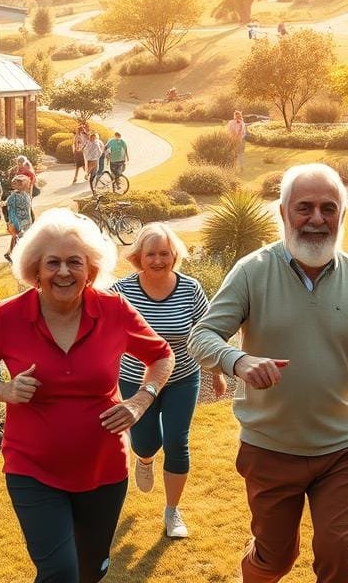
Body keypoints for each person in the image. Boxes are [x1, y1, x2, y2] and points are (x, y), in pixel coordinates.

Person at [188, 164, 348, 582]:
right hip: (270, 446)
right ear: (283, 211)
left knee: (336, 552)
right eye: (304, 207)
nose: (316, 218)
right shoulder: (252, 271)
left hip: (341, 446)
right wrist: (239, 361)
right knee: (275, 559)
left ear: (342, 215)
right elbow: (202, 336)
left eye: (328, 208)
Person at [0, 209, 173, 582]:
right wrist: (5, 390)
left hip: (104, 469)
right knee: (58, 572)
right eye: (53, 263)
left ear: (91, 270)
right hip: (32, 469)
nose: (64, 272)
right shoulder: (10, 315)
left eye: (75, 262)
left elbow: (161, 355)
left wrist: (140, 400)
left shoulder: (114, 310)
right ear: (35, 270)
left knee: (90, 571)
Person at [110, 223, 223, 538]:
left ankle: (172, 511)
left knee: (177, 441)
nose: (158, 260)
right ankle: (144, 459)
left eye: (164, 253)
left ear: (174, 255)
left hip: (182, 378)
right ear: (138, 257)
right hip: (135, 379)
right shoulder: (121, 290)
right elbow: (96, 326)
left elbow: (207, 332)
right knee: (146, 441)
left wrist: (216, 373)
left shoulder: (190, 288)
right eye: (151, 254)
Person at [4, 174, 34, 263]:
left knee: (17, 236)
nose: (13, 185)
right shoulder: (16, 196)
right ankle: (16, 255)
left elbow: (28, 208)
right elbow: (7, 204)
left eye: (16, 184)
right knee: (19, 237)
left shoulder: (25, 195)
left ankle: (10, 253)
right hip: (18, 221)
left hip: (24, 220)